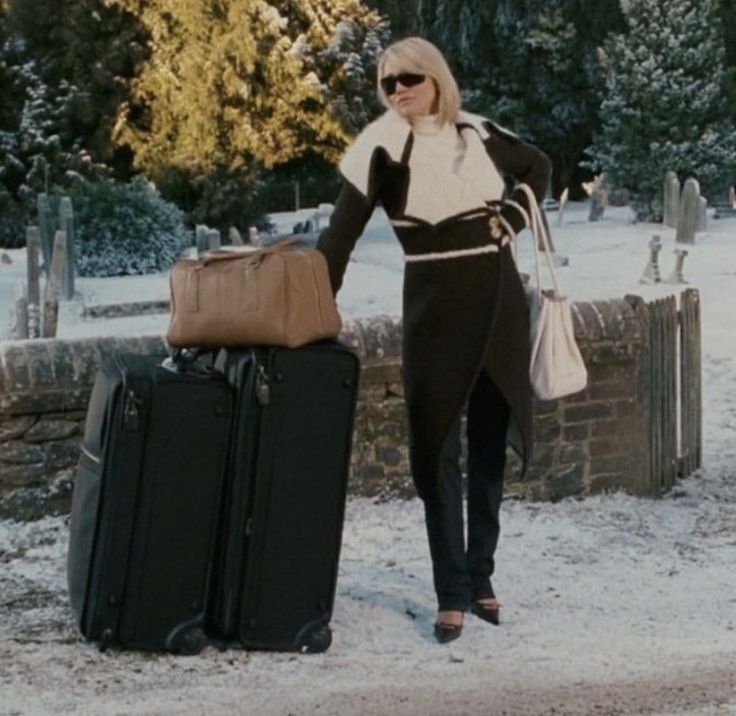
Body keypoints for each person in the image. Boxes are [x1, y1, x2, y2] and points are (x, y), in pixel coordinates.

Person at [316, 37, 551, 644]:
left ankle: (481, 577)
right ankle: (449, 590)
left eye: (410, 78)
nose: (398, 90)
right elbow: (339, 236)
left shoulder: (477, 132)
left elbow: (540, 168)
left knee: (489, 447)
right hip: (433, 308)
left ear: (437, 78)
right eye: (388, 82)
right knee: (436, 446)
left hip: (499, 300)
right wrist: (313, 306)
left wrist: (515, 219)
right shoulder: (381, 147)